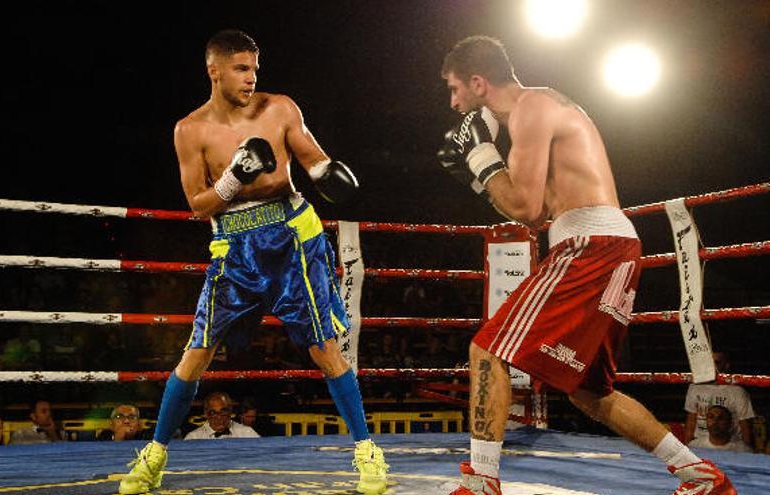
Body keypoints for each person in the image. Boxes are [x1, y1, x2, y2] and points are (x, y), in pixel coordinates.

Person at [436, 35, 736, 495]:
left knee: (489, 350)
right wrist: (482, 178)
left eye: (455, 89)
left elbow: (524, 206)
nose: (453, 102)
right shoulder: (538, 107)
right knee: (589, 391)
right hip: (608, 245)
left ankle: (480, 483)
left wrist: (481, 158)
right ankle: (700, 475)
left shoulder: (531, 108)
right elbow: (534, 214)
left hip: (589, 244)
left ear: (478, 83)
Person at [119, 29, 386, 495]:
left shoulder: (280, 108)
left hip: (290, 239)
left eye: (255, 69)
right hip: (234, 248)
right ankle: (153, 458)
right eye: (241, 69)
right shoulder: (190, 130)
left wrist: (329, 175)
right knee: (196, 352)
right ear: (214, 70)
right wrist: (232, 180)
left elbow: (314, 159)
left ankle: (368, 454)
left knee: (325, 348)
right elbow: (199, 205)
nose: (251, 78)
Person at [684, 351, 755, 451]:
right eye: (709, 363)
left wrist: (744, 451)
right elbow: (691, 421)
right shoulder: (695, 387)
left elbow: (745, 427)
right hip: (700, 445)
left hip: (730, 446)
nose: (712, 366)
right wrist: (687, 448)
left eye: (716, 362)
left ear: (726, 365)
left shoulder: (737, 392)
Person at [184, 392, 259, 440]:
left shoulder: (247, 433)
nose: (219, 417)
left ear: (230, 411)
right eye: (213, 413)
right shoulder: (193, 438)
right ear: (206, 414)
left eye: (223, 411)